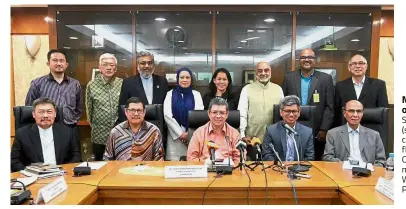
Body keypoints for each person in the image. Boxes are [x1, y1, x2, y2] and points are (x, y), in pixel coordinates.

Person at [25, 49, 83, 152]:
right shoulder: (37, 83)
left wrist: (71, 121)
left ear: (66, 64)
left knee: (73, 158)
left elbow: (79, 109)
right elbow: (29, 107)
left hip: (70, 129)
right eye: (55, 60)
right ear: (48, 63)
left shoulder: (75, 84)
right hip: (46, 129)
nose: (58, 63)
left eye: (61, 61)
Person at [282, 48, 334, 160]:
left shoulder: (325, 79)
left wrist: (324, 129)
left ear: (315, 60)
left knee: (314, 159)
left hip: (317, 129)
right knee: (293, 156)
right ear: (299, 60)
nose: (307, 60)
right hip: (293, 125)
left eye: (310, 57)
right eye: (303, 57)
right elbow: (284, 104)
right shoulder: (289, 78)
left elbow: (330, 107)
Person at [11, 98, 81, 172]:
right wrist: (32, 172)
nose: (45, 115)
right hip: (34, 177)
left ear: (55, 114)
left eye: (49, 112)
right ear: (33, 114)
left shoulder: (67, 131)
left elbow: (76, 157)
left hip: (62, 175)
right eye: (41, 112)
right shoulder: (22, 134)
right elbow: (14, 162)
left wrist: (64, 171)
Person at [238, 61, 284, 160]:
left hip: (273, 140)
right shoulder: (247, 89)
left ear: (270, 72)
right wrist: (242, 134)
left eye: (266, 70)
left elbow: (283, 114)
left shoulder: (278, 89)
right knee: (254, 170)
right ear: (256, 73)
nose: (263, 73)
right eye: (260, 71)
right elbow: (242, 113)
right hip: (252, 139)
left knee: (272, 170)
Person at [323, 100, 386, 167]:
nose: (355, 115)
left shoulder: (374, 135)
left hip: (367, 172)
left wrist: (370, 169)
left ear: (362, 114)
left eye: (359, 111)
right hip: (342, 171)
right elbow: (327, 157)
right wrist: (344, 165)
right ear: (344, 113)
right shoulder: (332, 134)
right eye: (351, 111)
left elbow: (381, 161)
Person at [85, 53, 123, 161]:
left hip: (119, 132)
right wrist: (95, 125)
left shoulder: (122, 83)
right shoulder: (91, 85)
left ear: (115, 68)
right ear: (100, 68)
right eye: (105, 64)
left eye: (112, 65)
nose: (109, 67)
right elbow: (89, 110)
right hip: (99, 134)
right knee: (99, 163)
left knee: (119, 162)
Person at [334, 54, 388, 126]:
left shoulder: (379, 85)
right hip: (347, 129)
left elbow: (383, 112)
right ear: (349, 67)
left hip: (371, 130)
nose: (357, 66)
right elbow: (337, 113)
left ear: (366, 66)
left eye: (361, 63)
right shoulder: (340, 86)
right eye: (354, 64)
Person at [163, 67, 204, 161]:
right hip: (175, 138)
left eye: (187, 77)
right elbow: (167, 115)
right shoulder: (170, 94)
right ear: (177, 79)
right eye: (182, 77)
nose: (185, 80)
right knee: (174, 167)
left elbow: (198, 115)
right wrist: (180, 134)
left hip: (192, 136)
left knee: (192, 165)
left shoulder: (196, 94)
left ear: (191, 79)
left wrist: (188, 134)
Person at [187, 97, 241, 165]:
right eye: (215, 112)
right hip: (205, 172)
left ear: (227, 114)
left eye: (222, 113)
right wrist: (205, 163)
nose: (218, 116)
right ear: (209, 113)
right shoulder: (199, 133)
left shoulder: (235, 134)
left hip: (228, 172)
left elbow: (239, 158)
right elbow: (191, 158)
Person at [262, 96, 314, 161]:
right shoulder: (271, 130)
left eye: (294, 111)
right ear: (281, 112)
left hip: (299, 169)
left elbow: (309, 157)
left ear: (299, 113)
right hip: (278, 169)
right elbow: (267, 155)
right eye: (288, 111)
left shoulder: (307, 132)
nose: (291, 114)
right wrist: (280, 167)